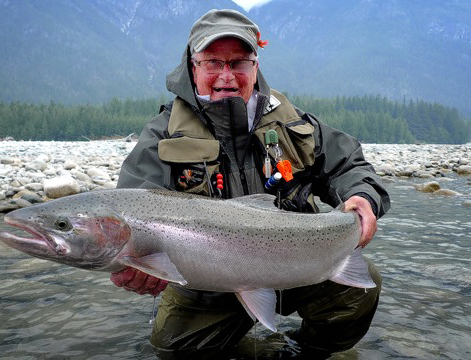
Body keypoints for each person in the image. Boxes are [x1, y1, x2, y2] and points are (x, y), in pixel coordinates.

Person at [111, 8, 390, 359]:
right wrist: (140, 264)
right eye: (212, 62)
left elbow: (350, 164)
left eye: (239, 63)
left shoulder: (294, 124)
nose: (226, 75)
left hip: (298, 263)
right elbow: (131, 206)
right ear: (192, 66)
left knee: (360, 291)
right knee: (172, 351)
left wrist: (363, 197)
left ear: (255, 67)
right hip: (208, 287)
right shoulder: (162, 135)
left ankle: (304, 351)